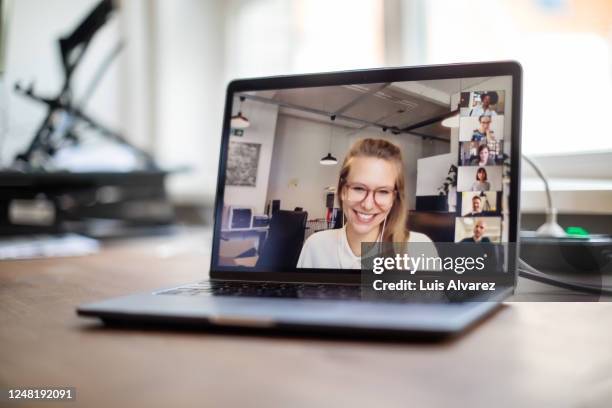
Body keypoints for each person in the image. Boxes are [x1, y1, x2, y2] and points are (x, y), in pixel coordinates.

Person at [297, 138, 436, 269]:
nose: (368, 205)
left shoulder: (419, 248)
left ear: (394, 198)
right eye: (358, 188)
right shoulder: (315, 246)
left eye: (383, 191)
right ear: (342, 191)